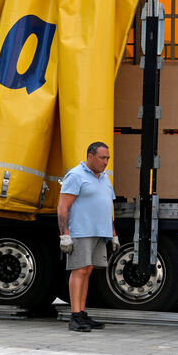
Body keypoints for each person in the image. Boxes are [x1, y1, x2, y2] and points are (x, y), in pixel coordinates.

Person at [58, 142, 118, 333]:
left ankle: (82, 313)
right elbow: (63, 207)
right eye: (102, 158)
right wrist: (65, 235)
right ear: (90, 156)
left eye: (108, 158)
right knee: (79, 270)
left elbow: (107, 207)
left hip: (99, 232)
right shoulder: (76, 175)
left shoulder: (105, 178)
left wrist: (113, 233)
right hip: (81, 231)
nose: (106, 162)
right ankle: (75, 316)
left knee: (88, 270)